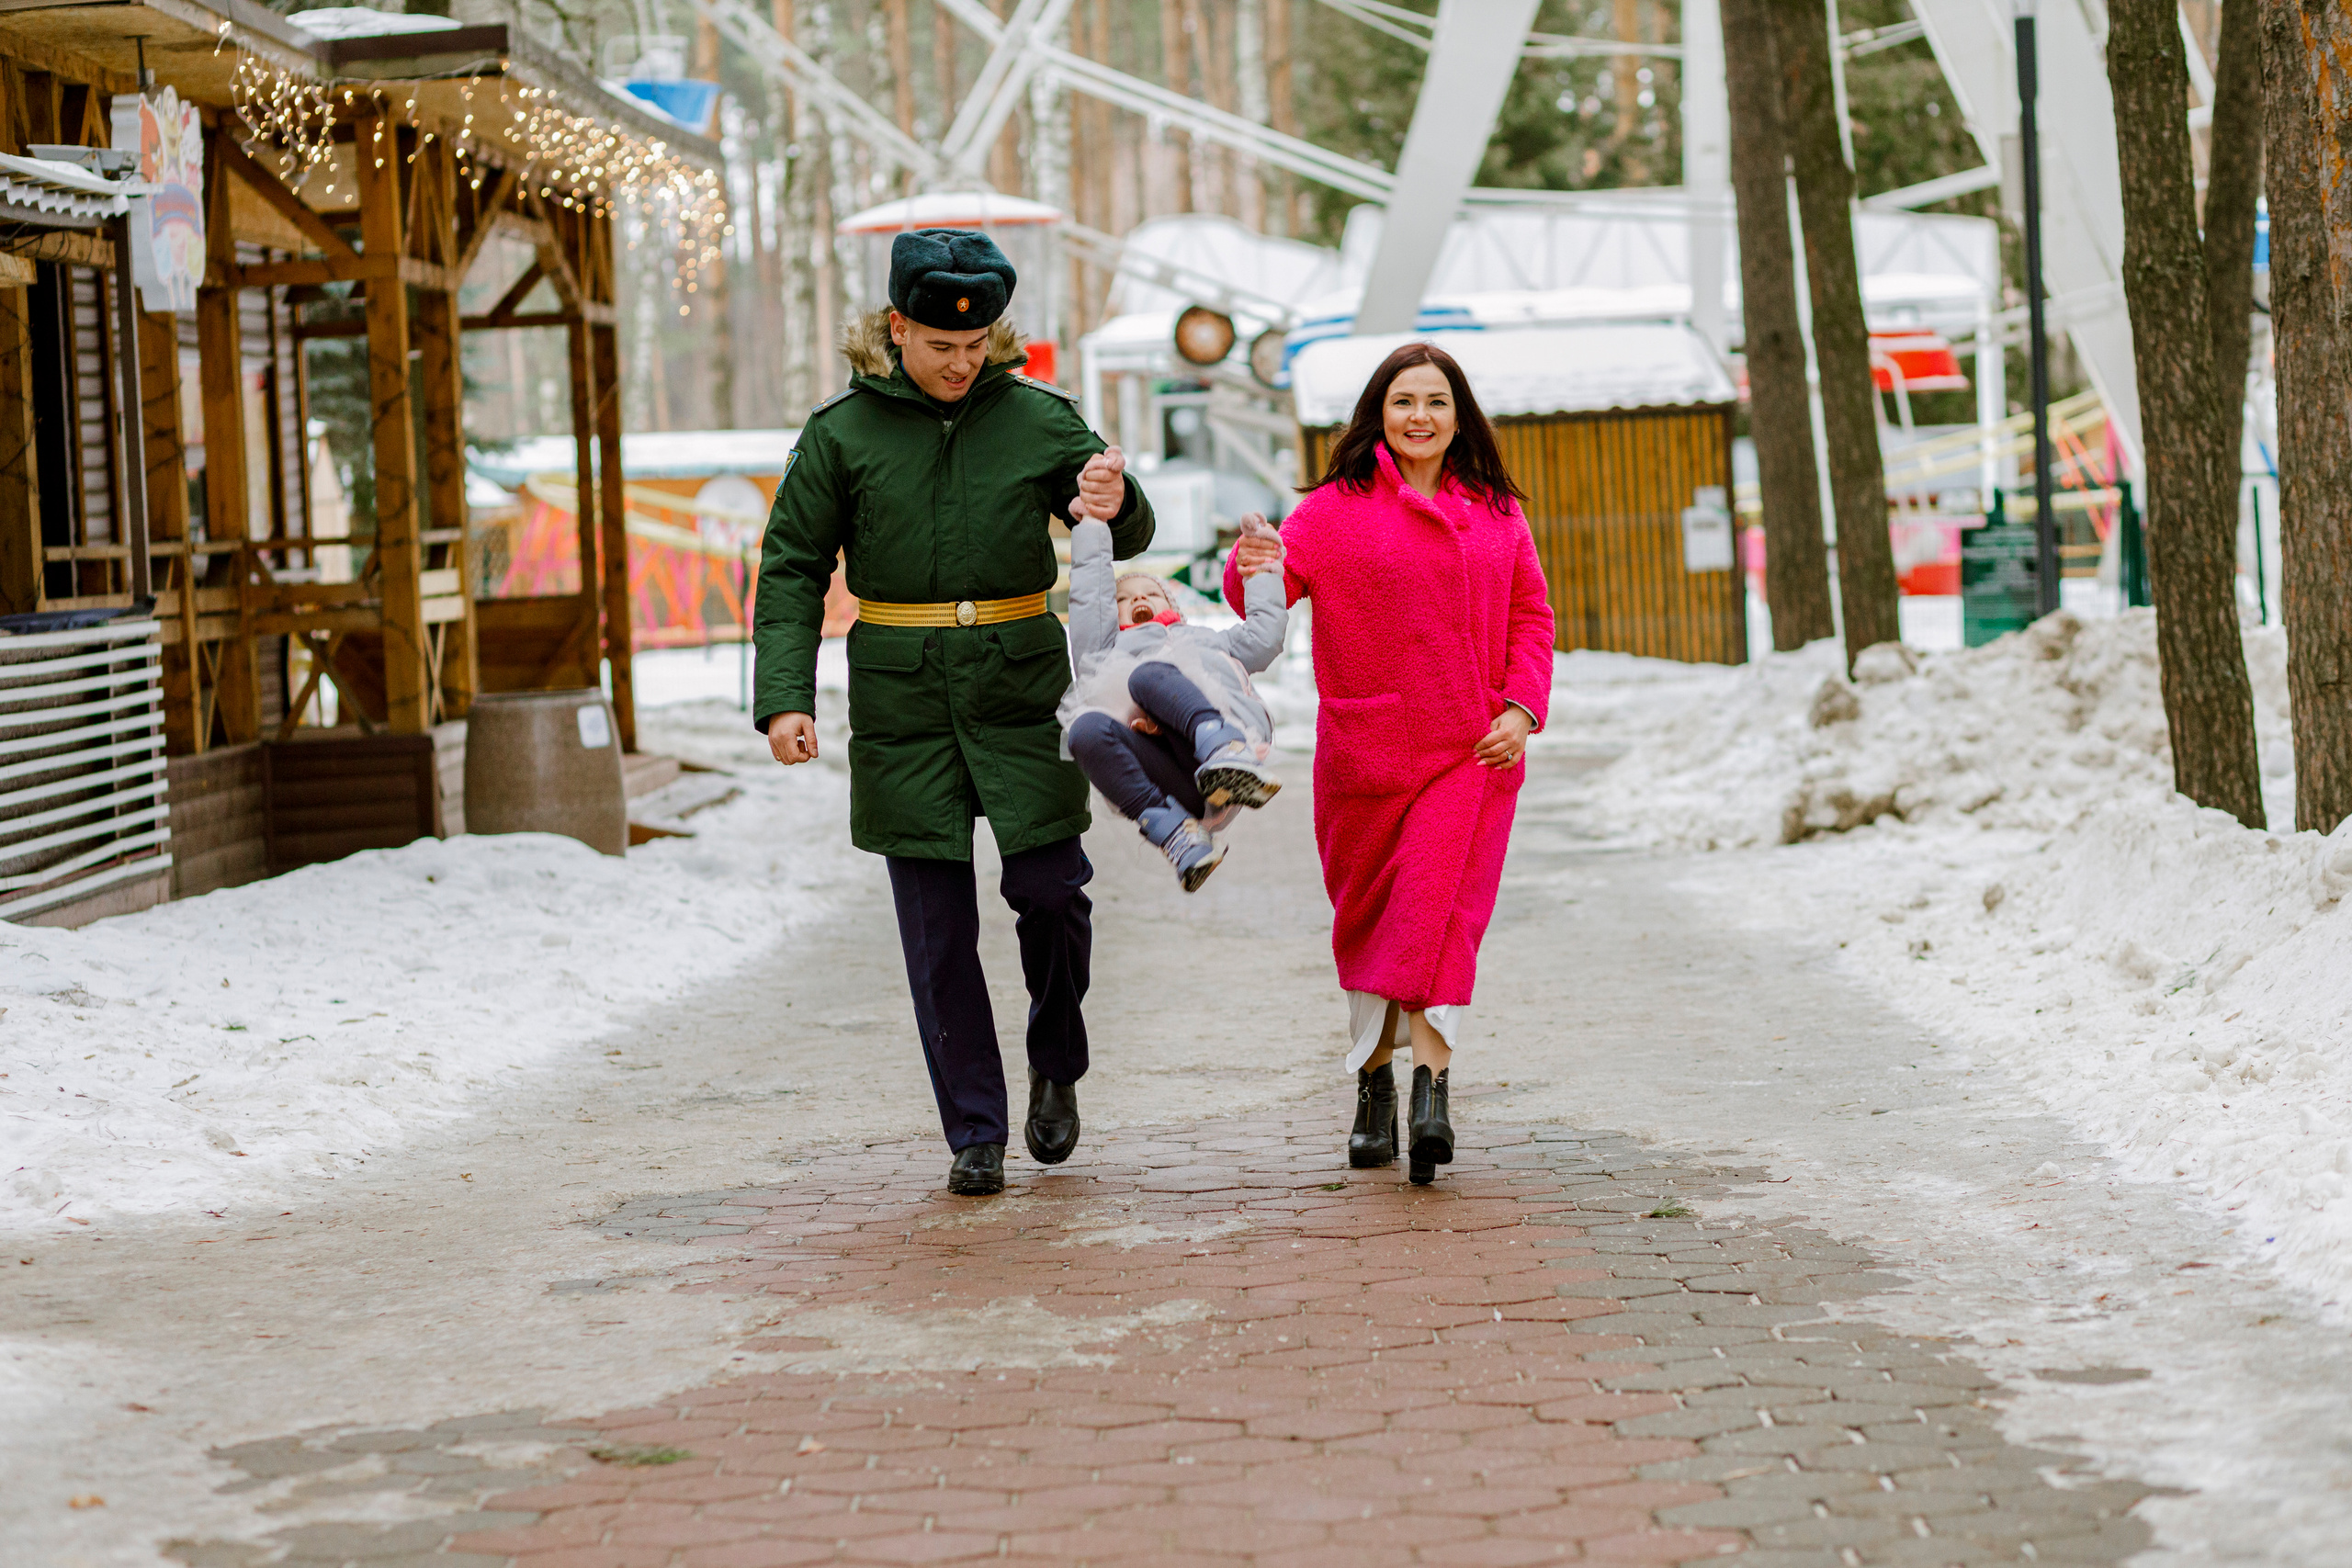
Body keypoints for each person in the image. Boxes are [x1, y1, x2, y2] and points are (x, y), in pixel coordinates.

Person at [753, 228, 1154, 1198]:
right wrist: (782, 700)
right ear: (898, 328)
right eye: (941, 346)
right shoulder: (840, 434)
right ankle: (974, 1129)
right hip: (901, 698)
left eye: (976, 348)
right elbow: (794, 567)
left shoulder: (1035, 418)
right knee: (936, 935)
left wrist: (1111, 492)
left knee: (1053, 895)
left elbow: (1124, 523)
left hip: (1020, 689)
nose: (961, 364)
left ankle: (1056, 1060)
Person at [1227, 342, 1554, 1185]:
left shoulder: (1495, 510)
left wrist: (1520, 710)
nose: (1421, 417)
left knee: (1438, 919)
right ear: (1379, 412)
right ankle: (1372, 1083)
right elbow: (1265, 591)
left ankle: (1431, 1091)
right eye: (1404, 401)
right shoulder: (1334, 510)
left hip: (1470, 751)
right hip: (1366, 757)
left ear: (1459, 414)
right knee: (1373, 923)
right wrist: (1252, 560)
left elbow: (1532, 616)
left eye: (1437, 402)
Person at [1058, 510, 1286, 891]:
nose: (1140, 598)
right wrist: (1092, 525)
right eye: (1123, 598)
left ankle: (1225, 749)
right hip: (1176, 776)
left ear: (1174, 608)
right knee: (1083, 730)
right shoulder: (1107, 651)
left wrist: (1261, 570)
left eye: (1151, 593)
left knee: (1149, 674)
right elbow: (1089, 600)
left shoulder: (1209, 641)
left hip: (1235, 740)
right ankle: (1179, 835)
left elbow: (1265, 637)